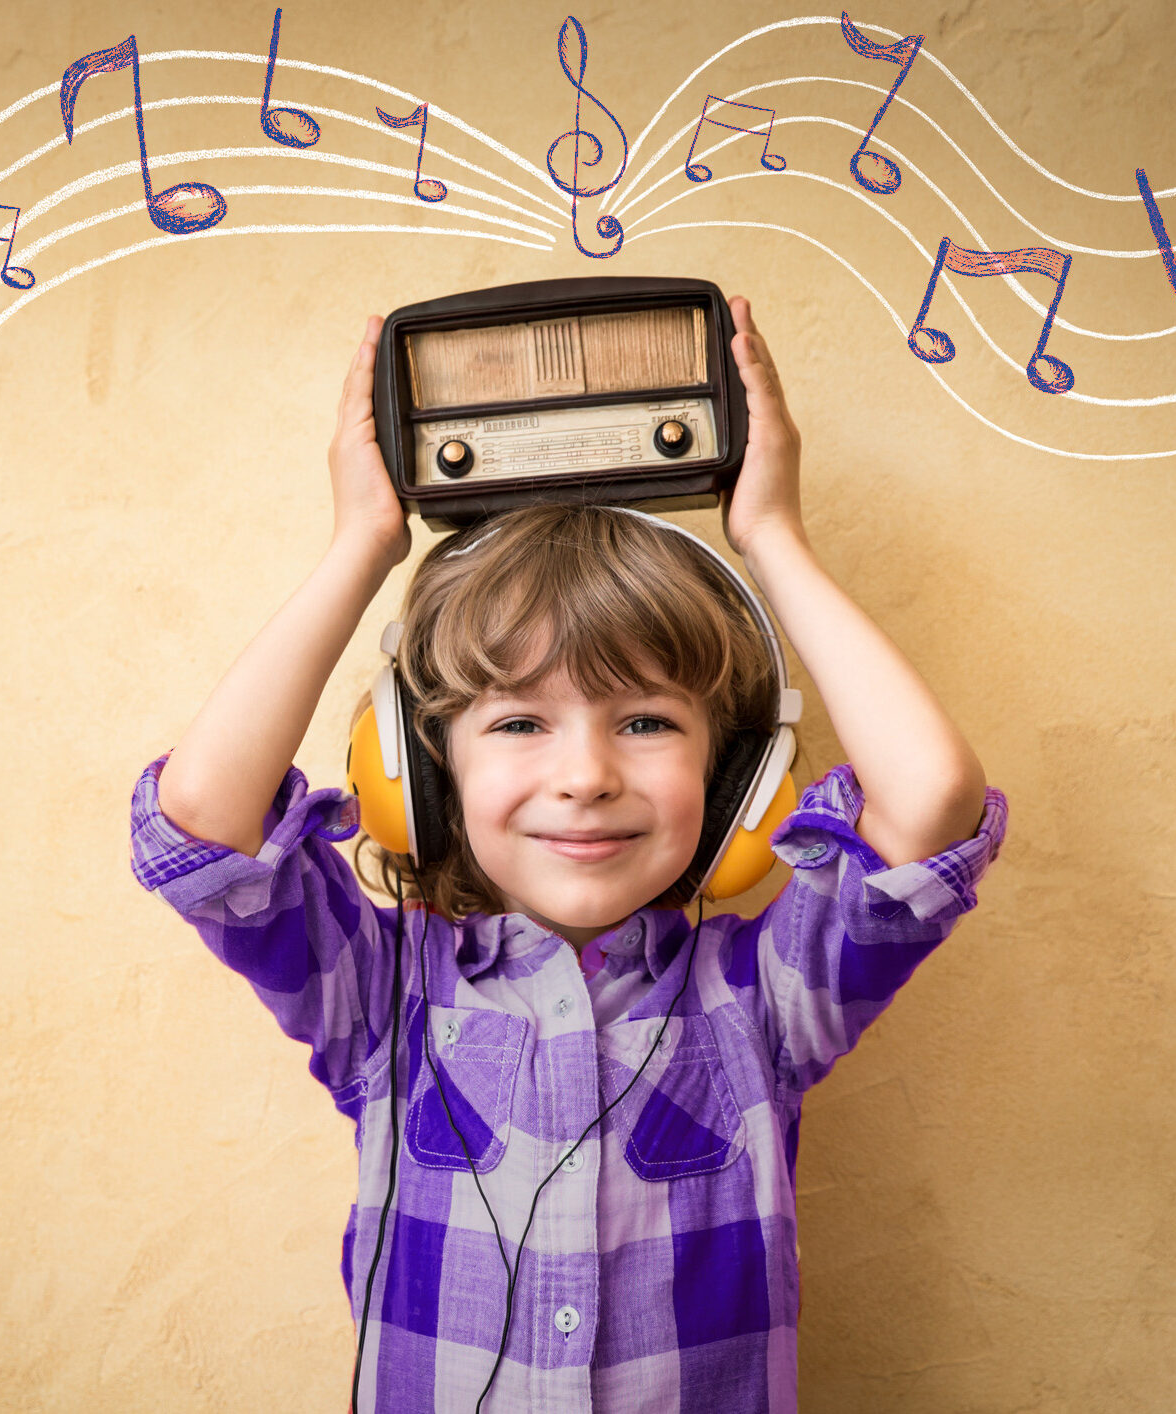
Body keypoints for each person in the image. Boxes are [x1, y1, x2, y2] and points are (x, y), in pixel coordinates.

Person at [128, 297, 1009, 1411]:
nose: (586, 774)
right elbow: (204, 822)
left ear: (736, 781)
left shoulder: (762, 1002)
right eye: (517, 722)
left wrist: (773, 538)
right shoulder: (380, 998)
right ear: (424, 774)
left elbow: (929, 802)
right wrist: (361, 544)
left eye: (646, 722)